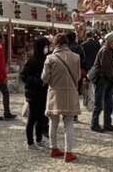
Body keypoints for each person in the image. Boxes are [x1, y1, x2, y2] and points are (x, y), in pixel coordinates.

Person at [43, 33, 82, 162]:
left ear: (55, 43)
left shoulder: (50, 58)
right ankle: (68, 152)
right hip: (70, 92)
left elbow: (44, 78)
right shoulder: (76, 57)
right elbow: (78, 76)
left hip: (55, 93)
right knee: (69, 123)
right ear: (67, 43)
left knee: (53, 123)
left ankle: (54, 148)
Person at [20, 36, 50, 149]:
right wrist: (38, 82)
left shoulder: (45, 58)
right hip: (33, 92)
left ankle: (39, 139)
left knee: (41, 117)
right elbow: (24, 76)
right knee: (32, 118)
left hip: (43, 92)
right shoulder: (31, 59)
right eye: (45, 46)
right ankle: (30, 142)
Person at [90, 32, 113, 132]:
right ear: (111, 41)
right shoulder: (106, 50)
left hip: (106, 80)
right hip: (102, 79)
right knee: (99, 104)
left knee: (108, 103)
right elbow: (106, 67)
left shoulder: (108, 49)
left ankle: (107, 123)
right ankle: (94, 124)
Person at [79, 30, 102, 108]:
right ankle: (94, 101)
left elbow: (81, 57)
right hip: (95, 67)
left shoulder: (82, 44)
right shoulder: (97, 44)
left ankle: (86, 101)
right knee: (95, 85)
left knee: (86, 85)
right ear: (93, 36)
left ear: (86, 36)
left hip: (86, 67)